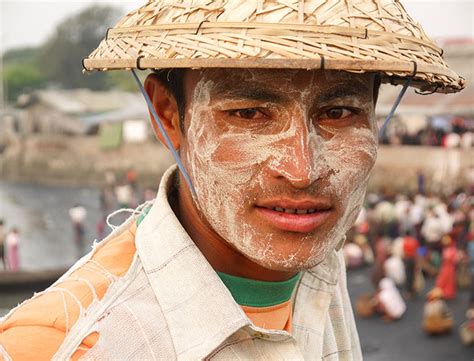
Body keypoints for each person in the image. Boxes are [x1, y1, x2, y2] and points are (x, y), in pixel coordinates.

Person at [0, 0, 464, 359]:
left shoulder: (320, 261)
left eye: (338, 112)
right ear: (169, 115)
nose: (303, 170)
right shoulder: (60, 344)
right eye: (248, 114)